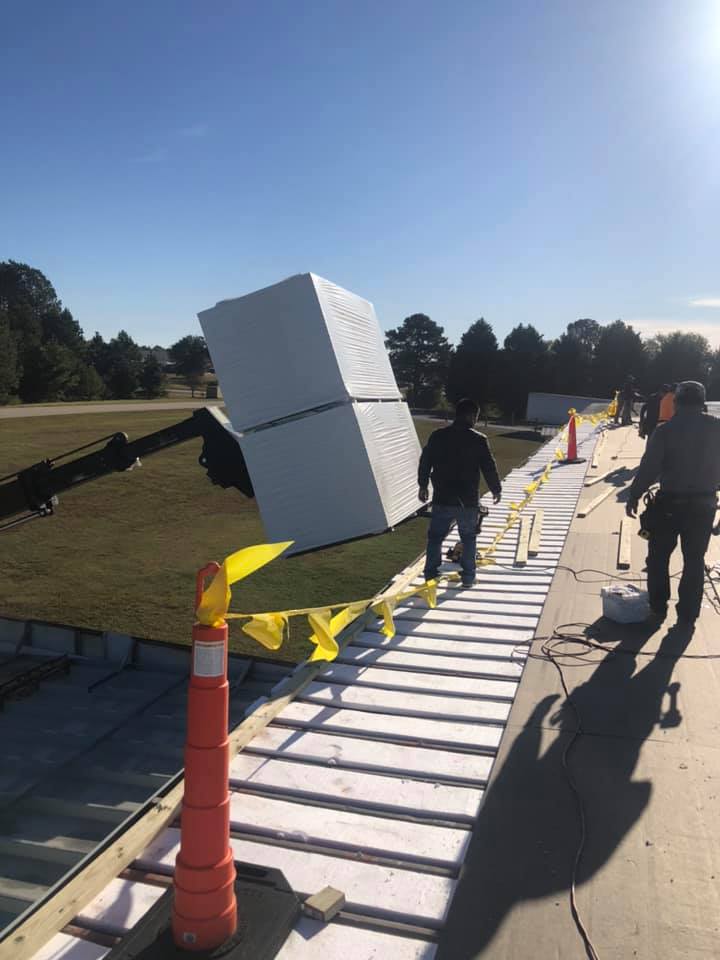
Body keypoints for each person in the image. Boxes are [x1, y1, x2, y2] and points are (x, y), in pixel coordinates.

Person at [627, 381, 720, 627]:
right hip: (704, 506)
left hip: (670, 506)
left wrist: (634, 495)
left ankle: (658, 610)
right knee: (694, 560)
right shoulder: (717, 428)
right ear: (703, 404)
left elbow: (649, 468)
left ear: (676, 403)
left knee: (658, 558)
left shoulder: (666, 431)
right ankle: (688, 616)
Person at [418, 398, 502, 588]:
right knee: (468, 538)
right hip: (467, 501)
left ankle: (430, 576)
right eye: (476, 417)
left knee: (435, 538)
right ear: (471, 416)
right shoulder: (478, 440)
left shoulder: (437, 436)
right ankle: (468, 577)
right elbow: (489, 467)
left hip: (442, 498)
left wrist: (423, 485)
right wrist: (496, 489)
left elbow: (425, 462)